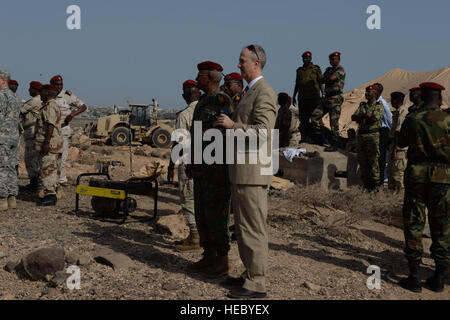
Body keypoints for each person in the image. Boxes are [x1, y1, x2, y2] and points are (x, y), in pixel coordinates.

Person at [215, 44, 277, 299]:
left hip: (252, 174)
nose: (238, 65)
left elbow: (263, 133)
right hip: (242, 172)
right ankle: (249, 274)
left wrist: (232, 125)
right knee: (242, 228)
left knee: (253, 228)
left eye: (242, 61)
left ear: (256, 63)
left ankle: (258, 283)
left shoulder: (264, 92)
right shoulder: (251, 92)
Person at [397, 82, 449, 293]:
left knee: (414, 222)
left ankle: (415, 277)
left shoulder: (413, 119)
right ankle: (438, 279)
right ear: (439, 97)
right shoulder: (448, 120)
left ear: (423, 96)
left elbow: (401, 143)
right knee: (442, 225)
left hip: (416, 174)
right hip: (443, 177)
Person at [186, 61, 232, 279]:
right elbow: (197, 135)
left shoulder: (222, 99)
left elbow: (225, 135)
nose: (197, 78)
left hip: (216, 170)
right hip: (200, 168)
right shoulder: (203, 101)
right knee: (201, 213)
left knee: (216, 215)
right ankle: (208, 256)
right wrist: (191, 162)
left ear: (212, 77)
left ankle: (222, 261)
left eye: (201, 75)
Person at [167, 79, 201, 252]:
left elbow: (179, 144)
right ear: (199, 93)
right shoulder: (209, 111)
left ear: (184, 96)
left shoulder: (184, 115)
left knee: (188, 199)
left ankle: (195, 237)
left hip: (188, 163)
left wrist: (171, 166)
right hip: (209, 164)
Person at [50, 75, 87, 187]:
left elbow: (83, 106)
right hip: (50, 130)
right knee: (50, 156)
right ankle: (50, 178)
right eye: (57, 84)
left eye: (61, 85)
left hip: (63, 129)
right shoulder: (48, 95)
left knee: (63, 156)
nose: (59, 87)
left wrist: (72, 115)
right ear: (52, 85)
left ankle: (62, 179)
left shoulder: (67, 96)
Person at [35, 84, 64, 206]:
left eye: (41, 92)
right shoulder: (51, 105)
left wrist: (46, 142)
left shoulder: (50, 106)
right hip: (55, 144)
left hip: (50, 144)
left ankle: (50, 195)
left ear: (47, 92)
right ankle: (52, 192)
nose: (40, 95)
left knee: (48, 169)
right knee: (53, 169)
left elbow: (50, 125)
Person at [351, 85, 384, 191]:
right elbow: (353, 117)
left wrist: (362, 118)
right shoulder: (363, 105)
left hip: (372, 136)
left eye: (369, 92)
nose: (366, 94)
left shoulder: (378, 105)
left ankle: (376, 186)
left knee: (373, 162)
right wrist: (365, 116)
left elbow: (374, 119)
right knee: (362, 161)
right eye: (366, 92)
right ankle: (367, 186)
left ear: (374, 94)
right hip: (361, 136)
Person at [311, 52, 346, 151]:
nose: (332, 61)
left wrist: (325, 79)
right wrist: (325, 79)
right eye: (331, 59)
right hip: (327, 98)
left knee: (333, 123)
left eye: (334, 59)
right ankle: (321, 138)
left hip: (335, 98)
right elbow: (321, 80)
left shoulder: (340, 70)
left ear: (338, 59)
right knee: (315, 116)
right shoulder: (328, 69)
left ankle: (335, 144)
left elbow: (330, 79)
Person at [0, 70, 21, 211]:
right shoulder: (14, 96)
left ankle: (2, 199)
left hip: (3, 137)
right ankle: (12, 198)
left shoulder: (2, 96)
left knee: (2, 167)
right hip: (13, 137)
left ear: (2, 80)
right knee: (11, 167)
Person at [292, 51, 323, 142]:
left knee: (315, 118)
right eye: (305, 58)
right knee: (303, 119)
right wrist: (294, 96)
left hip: (314, 98)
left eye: (308, 57)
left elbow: (320, 82)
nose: (306, 59)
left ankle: (317, 138)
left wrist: (323, 93)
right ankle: (304, 137)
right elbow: (297, 84)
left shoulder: (315, 69)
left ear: (311, 58)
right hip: (302, 98)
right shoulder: (300, 71)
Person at [20, 81, 43, 191]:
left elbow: (20, 110)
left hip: (32, 130)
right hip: (33, 131)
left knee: (30, 158)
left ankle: (34, 183)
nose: (29, 90)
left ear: (35, 90)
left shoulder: (35, 100)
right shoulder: (40, 100)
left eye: (31, 88)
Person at [387, 92, 407, 193]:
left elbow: (398, 133)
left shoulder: (402, 113)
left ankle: (399, 200)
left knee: (398, 176)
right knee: (391, 174)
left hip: (399, 150)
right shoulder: (396, 113)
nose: (391, 102)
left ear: (397, 100)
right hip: (393, 148)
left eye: (392, 99)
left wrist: (395, 149)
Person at [373, 83, 391, 186]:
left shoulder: (382, 103)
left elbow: (389, 118)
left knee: (381, 156)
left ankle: (381, 180)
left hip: (382, 131)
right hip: (375, 131)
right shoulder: (373, 103)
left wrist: (390, 133)